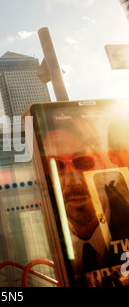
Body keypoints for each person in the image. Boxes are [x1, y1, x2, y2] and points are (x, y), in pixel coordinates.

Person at [41, 120, 129, 285]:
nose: (73, 182)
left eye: (83, 161)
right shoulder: (45, 237)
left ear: (101, 164)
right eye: (57, 166)